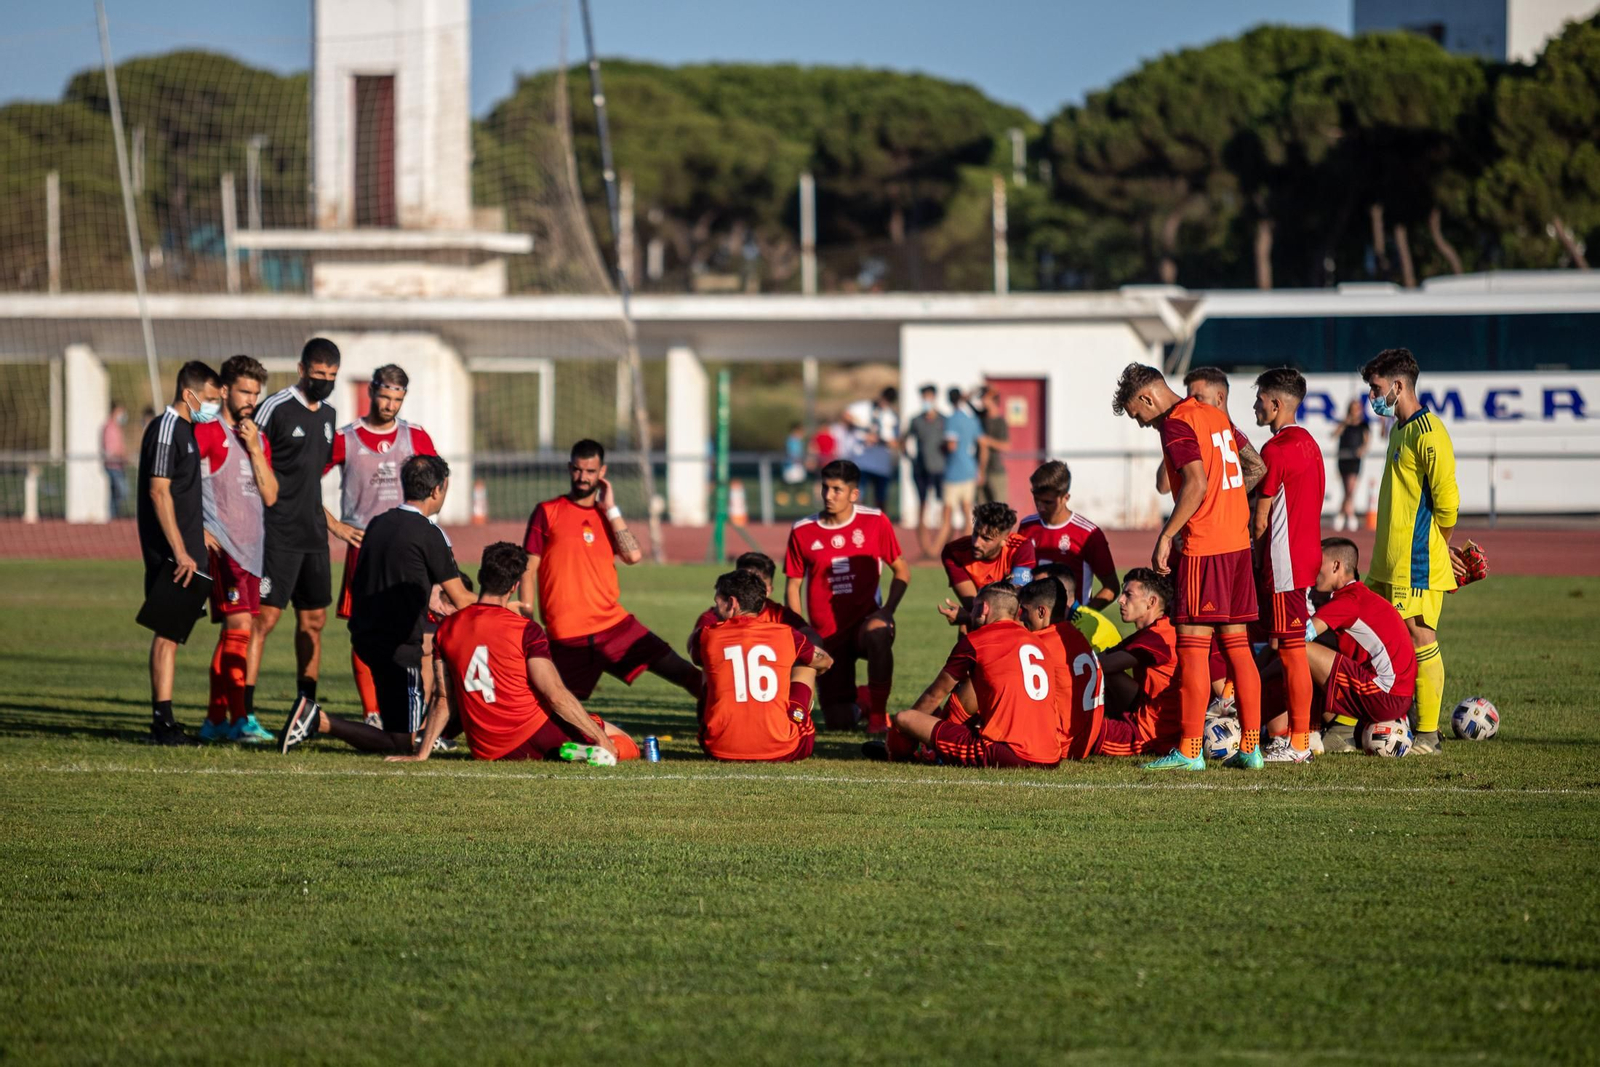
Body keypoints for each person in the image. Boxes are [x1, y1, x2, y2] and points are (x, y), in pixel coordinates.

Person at [1113, 362, 1262, 771]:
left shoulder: (1176, 424)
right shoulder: (1214, 413)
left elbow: (1195, 483)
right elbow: (1251, 467)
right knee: (1238, 648)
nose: (1141, 423)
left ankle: (1191, 751)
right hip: (1237, 544)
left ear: (1147, 398)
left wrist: (1166, 534)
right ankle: (1251, 748)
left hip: (1205, 547)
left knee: (1192, 650)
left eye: (1136, 414)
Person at [280, 454, 473, 754]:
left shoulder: (379, 524)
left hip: (367, 636)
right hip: (399, 647)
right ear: (438, 490)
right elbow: (460, 598)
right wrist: (502, 605)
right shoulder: (430, 533)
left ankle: (323, 719)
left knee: (399, 728)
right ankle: (318, 719)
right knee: (402, 746)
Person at [389, 542, 635, 763]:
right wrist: (599, 737)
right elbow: (555, 694)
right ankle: (595, 752)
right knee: (625, 743)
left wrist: (422, 754)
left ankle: (576, 750)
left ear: (481, 576)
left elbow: (443, 698)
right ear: (515, 586)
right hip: (534, 733)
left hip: (485, 748)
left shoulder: (447, 629)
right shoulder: (524, 629)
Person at [519, 439, 701, 701]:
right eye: (578, 470)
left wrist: (612, 508)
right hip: (568, 635)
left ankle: (724, 728)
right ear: (570, 468)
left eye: (590, 471)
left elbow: (633, 555)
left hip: (616, 626)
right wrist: (528, 617)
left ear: (602, 472)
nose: (583, 477)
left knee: (686, 673)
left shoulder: (607, 516)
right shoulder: (547, 512)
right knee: (552, 706)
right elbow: (528, 568)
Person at [1361, 347, 1464, 754]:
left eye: (1376, 388)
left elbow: (1448, 504)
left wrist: (1441, 546)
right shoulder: (1398, 429)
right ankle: (1360, 722)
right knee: (1367, 636)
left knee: (1420, 640)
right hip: (1386, 562)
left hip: (1416, 565)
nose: (1372, 396)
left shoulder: (1429, 432)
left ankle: (1427, 735)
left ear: (1398, 386)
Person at [325, 364, 439, 728]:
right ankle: (372, 713)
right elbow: (301, 482)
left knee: (419, 629)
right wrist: (335, 526)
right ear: (372, 391)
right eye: (385, 396)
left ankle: (416, 713)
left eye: (397, 399)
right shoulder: (346, 438)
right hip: (365, 547)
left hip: (410, 547)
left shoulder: (416, 436)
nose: (390, 405)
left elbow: (440, 480)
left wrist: (430, 524)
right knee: (365, 629)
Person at [252, 338, 344, 716]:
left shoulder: (329, 415)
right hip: (275, 531)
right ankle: (244, 711)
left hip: (312, 535)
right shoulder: (273, 408)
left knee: (314, 621)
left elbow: (311, 478)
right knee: (265, 619)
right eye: (319, 374)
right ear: (301, 369)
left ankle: (306, 707)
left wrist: (332, 523)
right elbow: (249, 463)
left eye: (332, 376)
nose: (325, 381)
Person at [784, 458, 910, 733]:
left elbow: (901, 571)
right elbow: (793, 585)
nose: (829, 496)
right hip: (826, 636)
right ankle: (863, 700)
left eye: (837, 490)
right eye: (825, 488)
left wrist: (887, 611)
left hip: (864, 624)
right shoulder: (803, 530)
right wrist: (802, 628)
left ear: (854, 494)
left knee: (878, 632)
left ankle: (877, 715)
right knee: (838, 724)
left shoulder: (875, 521)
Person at [884, 582, 1062, 770]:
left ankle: (900, 752)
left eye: (974, 607)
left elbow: (934, 696)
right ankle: (930, 748)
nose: (970, 613)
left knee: (905, 718)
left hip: (1009, 753)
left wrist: (899, 735)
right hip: (1051, 756)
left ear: (984, 607)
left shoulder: (976, 640)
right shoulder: (1037, 641)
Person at [194, 355, 279, 744]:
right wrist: (198, 530)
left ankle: (215, 720)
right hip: (224, 549)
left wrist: (256, 450)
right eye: (245, 390)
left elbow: (271, 494)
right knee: (239, 628)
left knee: (235, 633)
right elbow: (182, 482)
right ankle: (241, 718)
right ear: (225, 390)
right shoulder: (208, 432)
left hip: (253, 551)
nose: (250, 399)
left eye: (256, 393)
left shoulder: (257, 438)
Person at [137, 361, 221, 745]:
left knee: (174, 634)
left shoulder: (188, 430)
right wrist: (180, 551)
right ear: (189, 394)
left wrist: (198, 533)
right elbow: (158, 491)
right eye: (209, 399)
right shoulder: (167, 429)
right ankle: (162, 723)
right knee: (167, 634)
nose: (213, 406)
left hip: (188, 549)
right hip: (174, 555)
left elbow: (183, 492)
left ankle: (166, 722)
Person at [1249, 368, 1326, 763]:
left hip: (1284, 563)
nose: (1255, 405)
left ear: (1276, 403)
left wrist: (1257, 559)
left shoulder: (1275, 450)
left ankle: (1299, 741)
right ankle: (1302, 734)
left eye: (1260, 398)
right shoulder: (1310, 443)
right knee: (1288, 649)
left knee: (1293, 652)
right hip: (1306, 557)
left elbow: (1261, 519)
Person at [692, 570, 835, 762]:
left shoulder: (708, 634)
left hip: (717, 747)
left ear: (732, 603)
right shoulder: (787, 634)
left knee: (708, 668)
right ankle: (797, 712)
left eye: (717, 602)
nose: (715, 609)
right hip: (783, 748)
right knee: (807, 666)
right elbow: (825, 661)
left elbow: (694, 653)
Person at [1294, 538, 1418, 754]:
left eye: (1317, 564)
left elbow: (1298, 638)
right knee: (1310, 651)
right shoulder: (1359, 596)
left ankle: (1307, 734)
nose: (1313, 571)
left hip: (1384, 694)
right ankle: (1331, 731)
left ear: (1336, 566)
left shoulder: (1347, 601)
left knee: (1296, 648)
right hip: (1397, 695)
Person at [1091, 568, 1183, 758]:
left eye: (1128, 595)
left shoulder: (1159, 636)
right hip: (1143, 713)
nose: (1120, 600)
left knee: (1081, 732)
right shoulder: (1150, 632)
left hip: (1151, 735)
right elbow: (1105, 659)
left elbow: (1103, 666)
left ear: (1151, 602)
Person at [1016, 578, 1104, 760]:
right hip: (1084, 741)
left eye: (1024, 611)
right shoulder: (1075, 635)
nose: (1021, 617)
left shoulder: (1039, 645)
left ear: (1041, 611)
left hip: (1058, 743)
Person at [1018, 460, 1119, 609]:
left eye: (1047, 502)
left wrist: (1082, 616)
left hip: (1069, 627)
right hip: (1033, 622)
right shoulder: (1027, 527)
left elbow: (1111, 588)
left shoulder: (1089, 534)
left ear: (1066, 497)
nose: (1040, 507)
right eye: (1036, 499)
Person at [1156, 367, 1266, 497]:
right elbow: (1163, 486)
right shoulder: (1191, 432)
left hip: (1227, 516)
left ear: (1219, 398)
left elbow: (1258, 469)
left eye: (1198, 398)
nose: (1191, 404)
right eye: (1189, 399)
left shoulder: (1232, 434)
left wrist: (1224, 498)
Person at [937, 501, 1036, 628]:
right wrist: (971, 616)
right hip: (981, 622)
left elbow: (1015, 608)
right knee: (967, 629)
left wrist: (966, 617)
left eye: (986, 539)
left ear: (1004, 540)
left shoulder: (1021, 548)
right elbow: (973, 605)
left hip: (1015, 625)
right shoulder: (954, 552)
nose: (976, 543)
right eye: (975, 533)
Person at [1032, 563, 1121, 653]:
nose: (1030, 593)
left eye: (1039, 589)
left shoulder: (1084, 624)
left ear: (1060, 591)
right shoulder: (1072, 619)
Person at [906, 384, 949, 559]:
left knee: (943, 507)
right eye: (924, 397)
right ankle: (925, 549)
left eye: (930, 397)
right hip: (921, 469)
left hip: (941, 469)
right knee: (922, 506)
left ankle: (940, 546)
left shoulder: (944, 420)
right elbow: (904, 440)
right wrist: (911, 458)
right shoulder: (916, 420)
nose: (927, 401)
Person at [846, 386, 899, 510]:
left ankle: (879, 526)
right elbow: (847, 416)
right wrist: (862, 429)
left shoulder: (892, 416)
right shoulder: (864, 407)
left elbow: (895, 442)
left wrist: (880, 439)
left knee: (880, 499)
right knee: (858, 496)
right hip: (862, 461)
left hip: (881, 464)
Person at [942, 387, 983, 533]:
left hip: (954, 472)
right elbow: (981, 444)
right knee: (967, 512)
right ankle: (968, 549)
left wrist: (941, 447)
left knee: (947, 514)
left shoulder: (952, 419)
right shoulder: (972, 419)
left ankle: (935, 551)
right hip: (970, 469)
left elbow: (951, 446)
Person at [1332, 400, 1371, 532]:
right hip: (1343, 458)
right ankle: (1349, 515)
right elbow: (1334, 435)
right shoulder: (1345, 423)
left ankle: (1343, 515)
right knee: (1346, 489)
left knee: (1350, 488)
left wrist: (1361, 450)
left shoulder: (1363, 425)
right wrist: (1345, 422)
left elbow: (1366, 442)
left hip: (1355, 459)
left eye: (1357, 409)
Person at [973, 385, 1010, 505]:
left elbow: (1006, 446)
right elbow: (966, 400)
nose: (982, 401)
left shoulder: (1000, 422)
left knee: (999, 507)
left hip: (996, 471)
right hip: (980, 470)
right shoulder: (980, 417)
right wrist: (979, 388)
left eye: (985, 398)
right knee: (981, 508)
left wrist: (988, 441)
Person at [102, 403, 129, 518]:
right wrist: (122, 454)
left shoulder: (117, 428)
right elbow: (110, 450)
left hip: (119, 465)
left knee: (116, 493)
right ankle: (113, 517)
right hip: (112, 465)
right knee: (121, 492)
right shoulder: (109, 428)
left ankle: (114, 517)